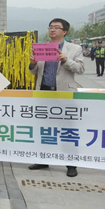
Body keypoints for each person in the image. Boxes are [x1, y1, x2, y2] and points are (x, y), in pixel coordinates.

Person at [28, 18, 84, 177]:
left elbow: (80, 69)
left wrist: (66, 60)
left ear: (65, 31)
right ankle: (42, 159)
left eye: (56, 28)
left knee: (67, 129)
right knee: (43, 128)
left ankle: (71, 164)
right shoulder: (42, 47)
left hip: (64, 93)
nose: (52, 30)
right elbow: (34, 71)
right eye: (50, 27)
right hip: (44, 91)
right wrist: (32, 63)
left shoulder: (74, 48)